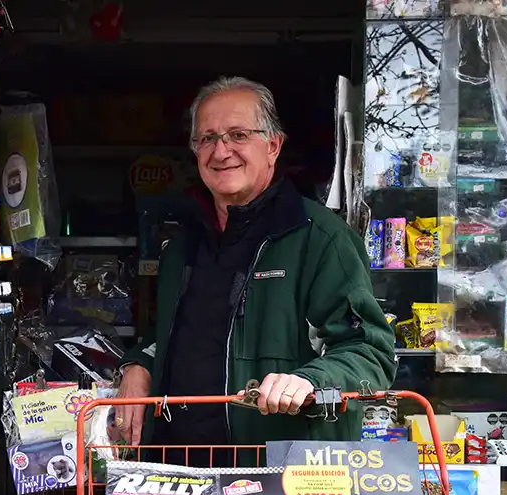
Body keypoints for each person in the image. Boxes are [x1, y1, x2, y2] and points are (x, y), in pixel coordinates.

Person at [114, 76, 396, 455]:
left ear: (273, 146)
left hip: (282, 477)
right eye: (207, 138)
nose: (221, 151)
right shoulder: (182, 247)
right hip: (179, 476)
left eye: (238, 135)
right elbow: (165, 340)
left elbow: (371, 352)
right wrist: (137, 366)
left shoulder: (319, 239)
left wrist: (310, 381)